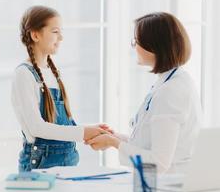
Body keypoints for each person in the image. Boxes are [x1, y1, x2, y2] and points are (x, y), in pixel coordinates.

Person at [86, 12, 202, 174]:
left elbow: (158, 163)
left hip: (168, 185)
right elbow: (149, 143)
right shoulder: (171, 81)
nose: (134, 47)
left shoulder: (171, 91)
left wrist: (113, 142)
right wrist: (115, 137)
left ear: (155, 46)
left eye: (136, 41)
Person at [11, 5, 109, 172]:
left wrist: (90, 130)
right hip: (40, 165)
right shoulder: (24, 74)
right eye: (55, 31)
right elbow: (37, 128)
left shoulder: (54, 73)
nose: (61, 37)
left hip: (67, 163)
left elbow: (61, 124)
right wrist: (82, 132)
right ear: (35, 35)